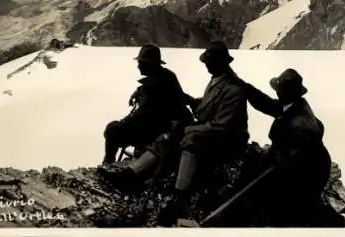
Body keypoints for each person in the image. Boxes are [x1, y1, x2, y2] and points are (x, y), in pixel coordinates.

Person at [99, 41, 250, 226]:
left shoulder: (234, 88)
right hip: (210, 129)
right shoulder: (217, 80)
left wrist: (187, 128)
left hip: (229, 137)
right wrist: (190, 101)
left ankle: (179, 198)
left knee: (189, 140)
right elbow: (207, 107)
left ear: (221, 63)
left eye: (209, 62)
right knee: (167, 138)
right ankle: (131, 176)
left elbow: (221, 125)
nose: (206, 65)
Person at [236, 68, 332, 226]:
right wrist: (248, 89)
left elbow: (297, 161)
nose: (277, 94)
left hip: (309, 175)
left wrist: (276, 160)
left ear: (285, 93)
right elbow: (269, 105)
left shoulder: (302, 125)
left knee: (273, 201)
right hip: (294, 161)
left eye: (279, 91)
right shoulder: (291, 104)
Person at [101, 44, 193, 165]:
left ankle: (108, 163)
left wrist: (123, 123)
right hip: (165, 126)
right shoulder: (167, 76)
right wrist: (139, 90)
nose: (138, 65)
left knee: (112, 130)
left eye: (141, 62)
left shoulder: (154, 85)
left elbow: (143, 115)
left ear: (149, 65)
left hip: (157, 129)